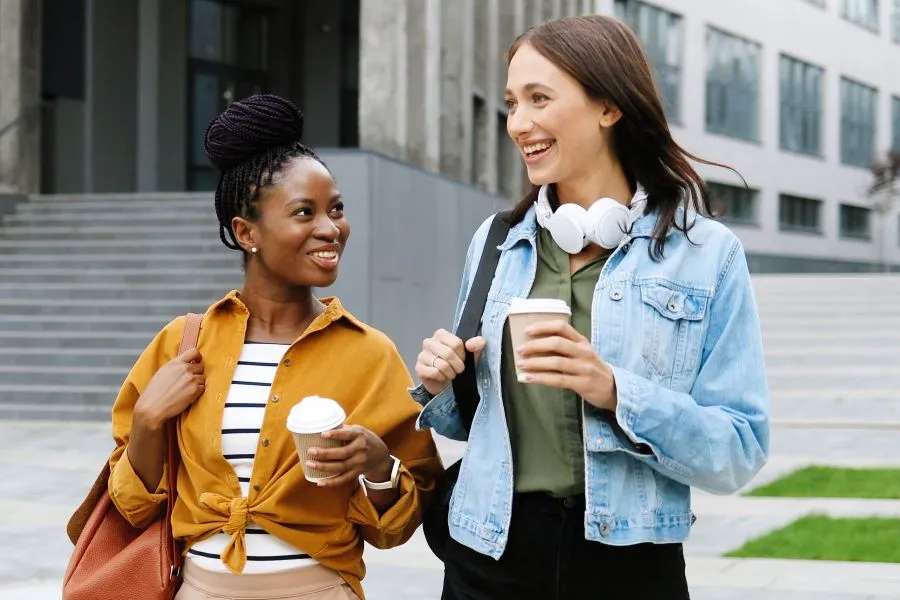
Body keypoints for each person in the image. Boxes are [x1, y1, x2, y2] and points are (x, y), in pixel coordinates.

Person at [412, 15, 769, 600]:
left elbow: (738, 449)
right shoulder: (496, 242)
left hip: (629, 562)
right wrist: (440, 379)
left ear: (609, 107)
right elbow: (468, 419)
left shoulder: (707, 255)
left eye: (539, 99)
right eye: (511, 103)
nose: (518, 124)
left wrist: (614, 389)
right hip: (490, 553)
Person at [107, 94, 442, 600]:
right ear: (247, 233)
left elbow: (395, 529)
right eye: (304, 212)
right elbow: (131, 506)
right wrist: (150, 420)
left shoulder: (370, 354)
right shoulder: (182, 343)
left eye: (337, 210)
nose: (330, 229)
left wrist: (378, 466)